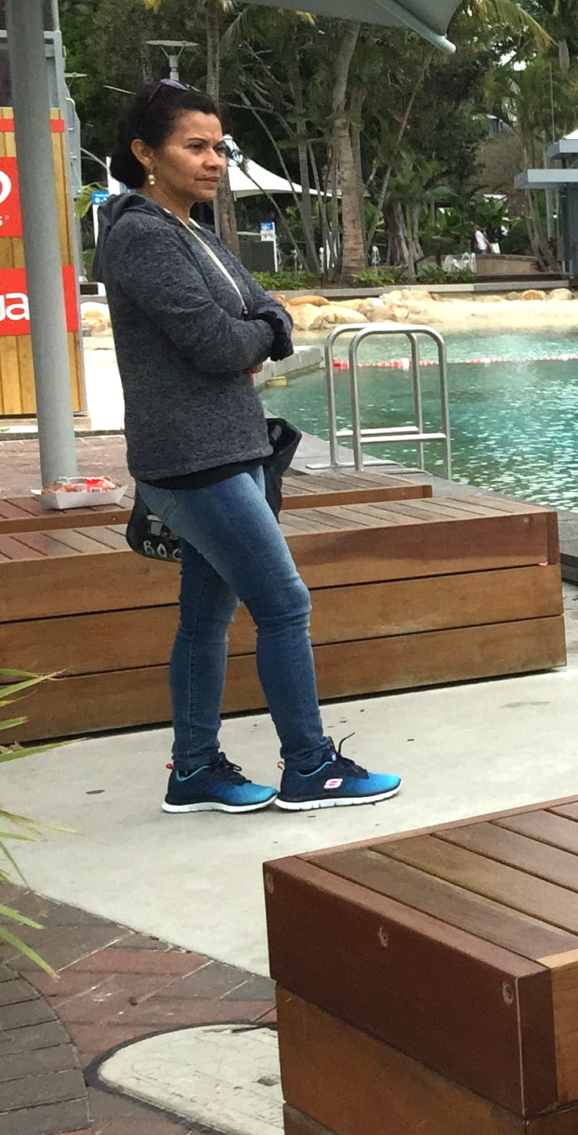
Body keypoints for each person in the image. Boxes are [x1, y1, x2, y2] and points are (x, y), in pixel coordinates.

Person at [95, 81, 401, 814]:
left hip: (226, 450)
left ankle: (195, 770)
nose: (213, 161)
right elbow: (217, 343)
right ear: (145, 153)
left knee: (205, 618)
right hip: (195, 460)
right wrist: (262, 332)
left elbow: (264, 309)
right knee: (285, 604)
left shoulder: (191, 229)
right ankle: (309, 766)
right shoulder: (141, 233)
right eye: (193, 147)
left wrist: (260, 328)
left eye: (218, 147)